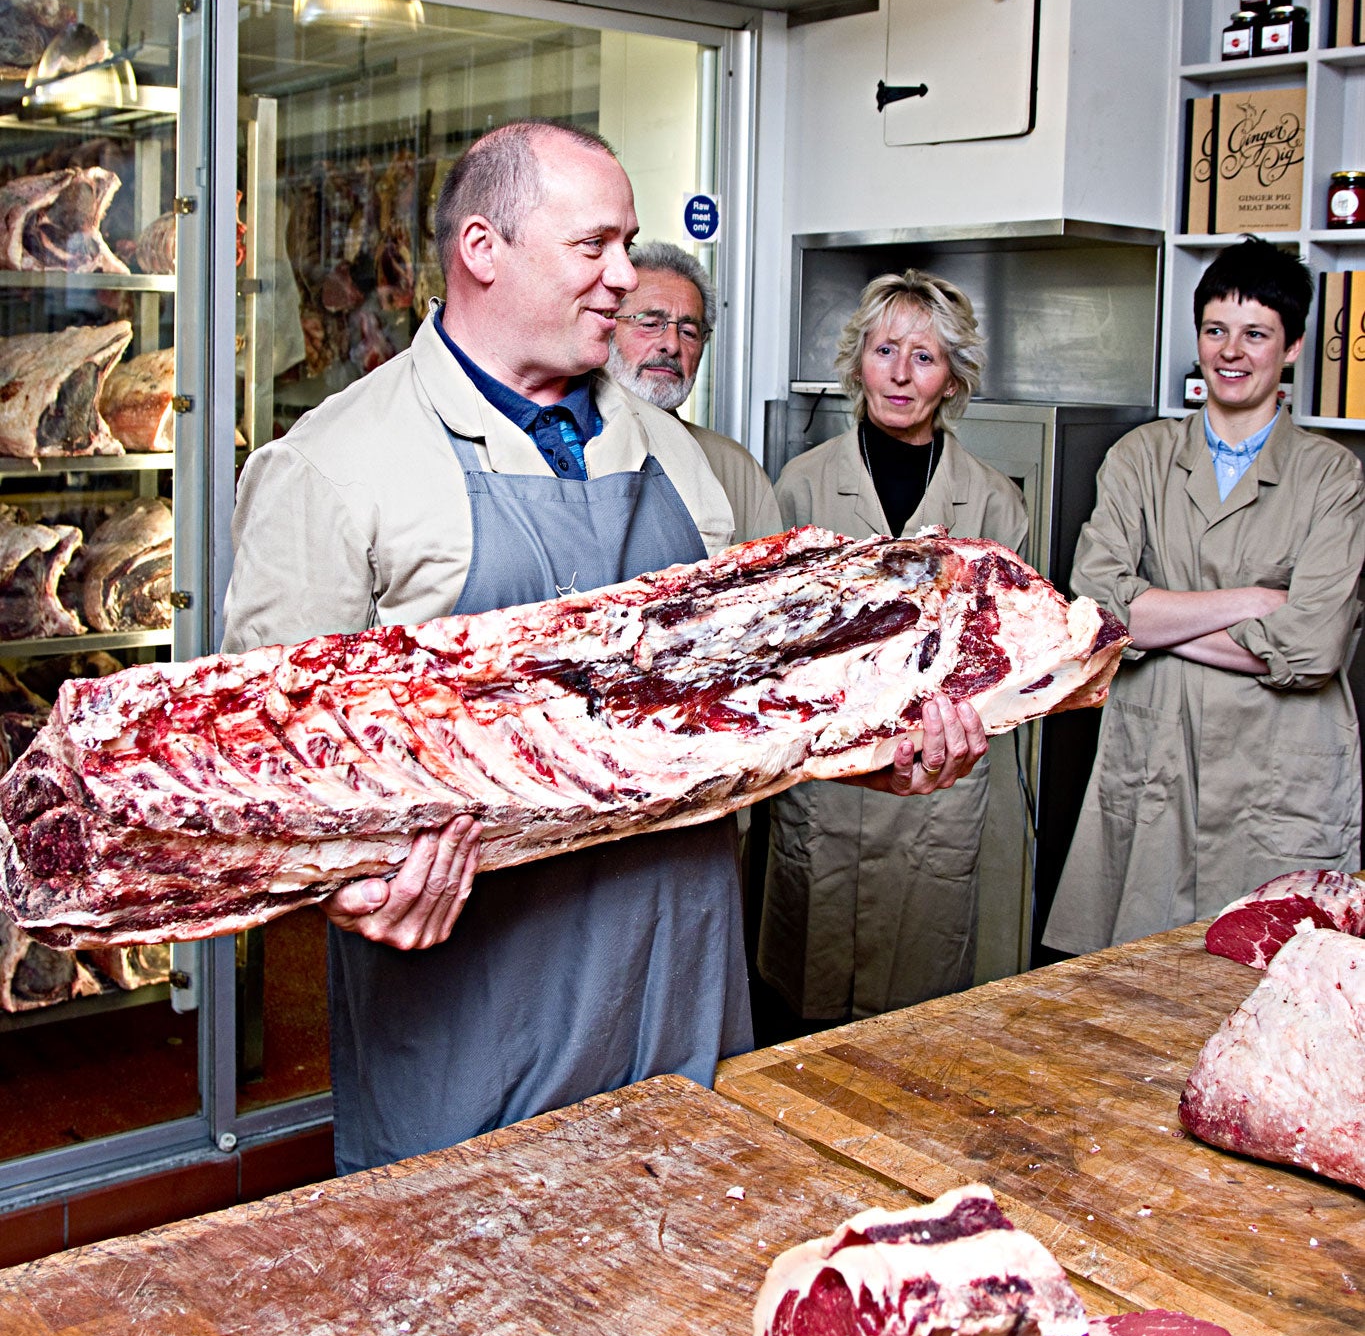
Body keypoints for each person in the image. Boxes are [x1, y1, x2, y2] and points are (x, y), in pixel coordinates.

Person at [223, 122, 986, 1172]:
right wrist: (342, 885)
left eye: (627, 243)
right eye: (596, 247)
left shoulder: (678, 459)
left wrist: (878, 751)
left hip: (679, 980)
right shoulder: (336, 465)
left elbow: (755, 708)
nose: (625, 277)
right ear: (484, 248)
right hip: (471, 1006)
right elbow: (266, 767)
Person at [1044, 236, 1365, 957]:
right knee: (1130, 988)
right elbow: (1093, 609)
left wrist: (1152, 621)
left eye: (1255, 334)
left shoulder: (1331, 477)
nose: (1230, 351)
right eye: (1215, 330)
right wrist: (1254, 599)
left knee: (1268, 994)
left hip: (1277, 769)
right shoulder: (1139, 458)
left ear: (1290, 348)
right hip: (1156, 752)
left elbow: (1312, 647)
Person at [759, 268, 1028, 1024]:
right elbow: (778, 644)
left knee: (915, 1012)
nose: (900, 374)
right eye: (884, 351)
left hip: (936, 768)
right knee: (800, 1013)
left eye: (924, 356)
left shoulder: (992, 501)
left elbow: (1000, 655)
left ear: (951, 379)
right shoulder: (802, 485)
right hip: (829, 773)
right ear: (857, 363)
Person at [606, 238, 780, 543]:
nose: (671, 345)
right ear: (605, 326)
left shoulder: (737, 472)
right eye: (650, 323)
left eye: (688, 332)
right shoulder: (564, 451)